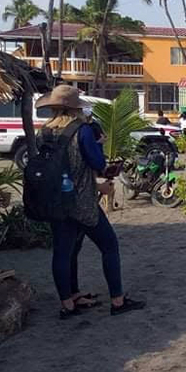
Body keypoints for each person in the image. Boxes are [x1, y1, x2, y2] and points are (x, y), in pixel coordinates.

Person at [34, 85, 144, 319]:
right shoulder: (81, 131)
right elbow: (97, 163)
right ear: (76, 108)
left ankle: (69, 304)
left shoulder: (43, 132)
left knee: (63, 253)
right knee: (109, 246)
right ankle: (117, 300)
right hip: (82, 203)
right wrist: (100, 147)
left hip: (56, 201)